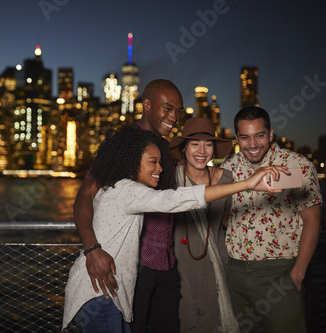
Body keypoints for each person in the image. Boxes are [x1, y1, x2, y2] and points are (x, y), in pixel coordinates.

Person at [63, 125, 286, 332]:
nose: (160, 168)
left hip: (102, 291)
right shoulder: (127, 190)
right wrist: (247, 184)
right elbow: (174, 199)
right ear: (133, 162)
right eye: (153, 162)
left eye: (160, 161)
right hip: (100, 293)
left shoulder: (119, 187)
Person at [73, 79, 184, 332]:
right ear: (147, 104)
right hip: (134, 266)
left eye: (178, 111)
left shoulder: (171, 149)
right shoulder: (122, 143)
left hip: (167, 264)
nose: (174, 117)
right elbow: (85, 194)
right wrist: (91, 248)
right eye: (167, 108)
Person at [220, 106, 323, 333]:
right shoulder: (228, 167)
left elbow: (313, 220)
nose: (253, 144)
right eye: (245, 137)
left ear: (270, 134)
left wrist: (298, 274)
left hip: (280, 272)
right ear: (237, 137)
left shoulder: (297, 165)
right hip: (236, 273)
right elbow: (223, 213)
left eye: (259, 135)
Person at [169, 117, 239, 332]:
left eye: (208, 144)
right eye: (194, 144)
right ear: (184, 148)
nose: (202, 150)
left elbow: (228, 219)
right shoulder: (170, 179)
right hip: (179, 267)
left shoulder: (227, 178)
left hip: (217, 264)